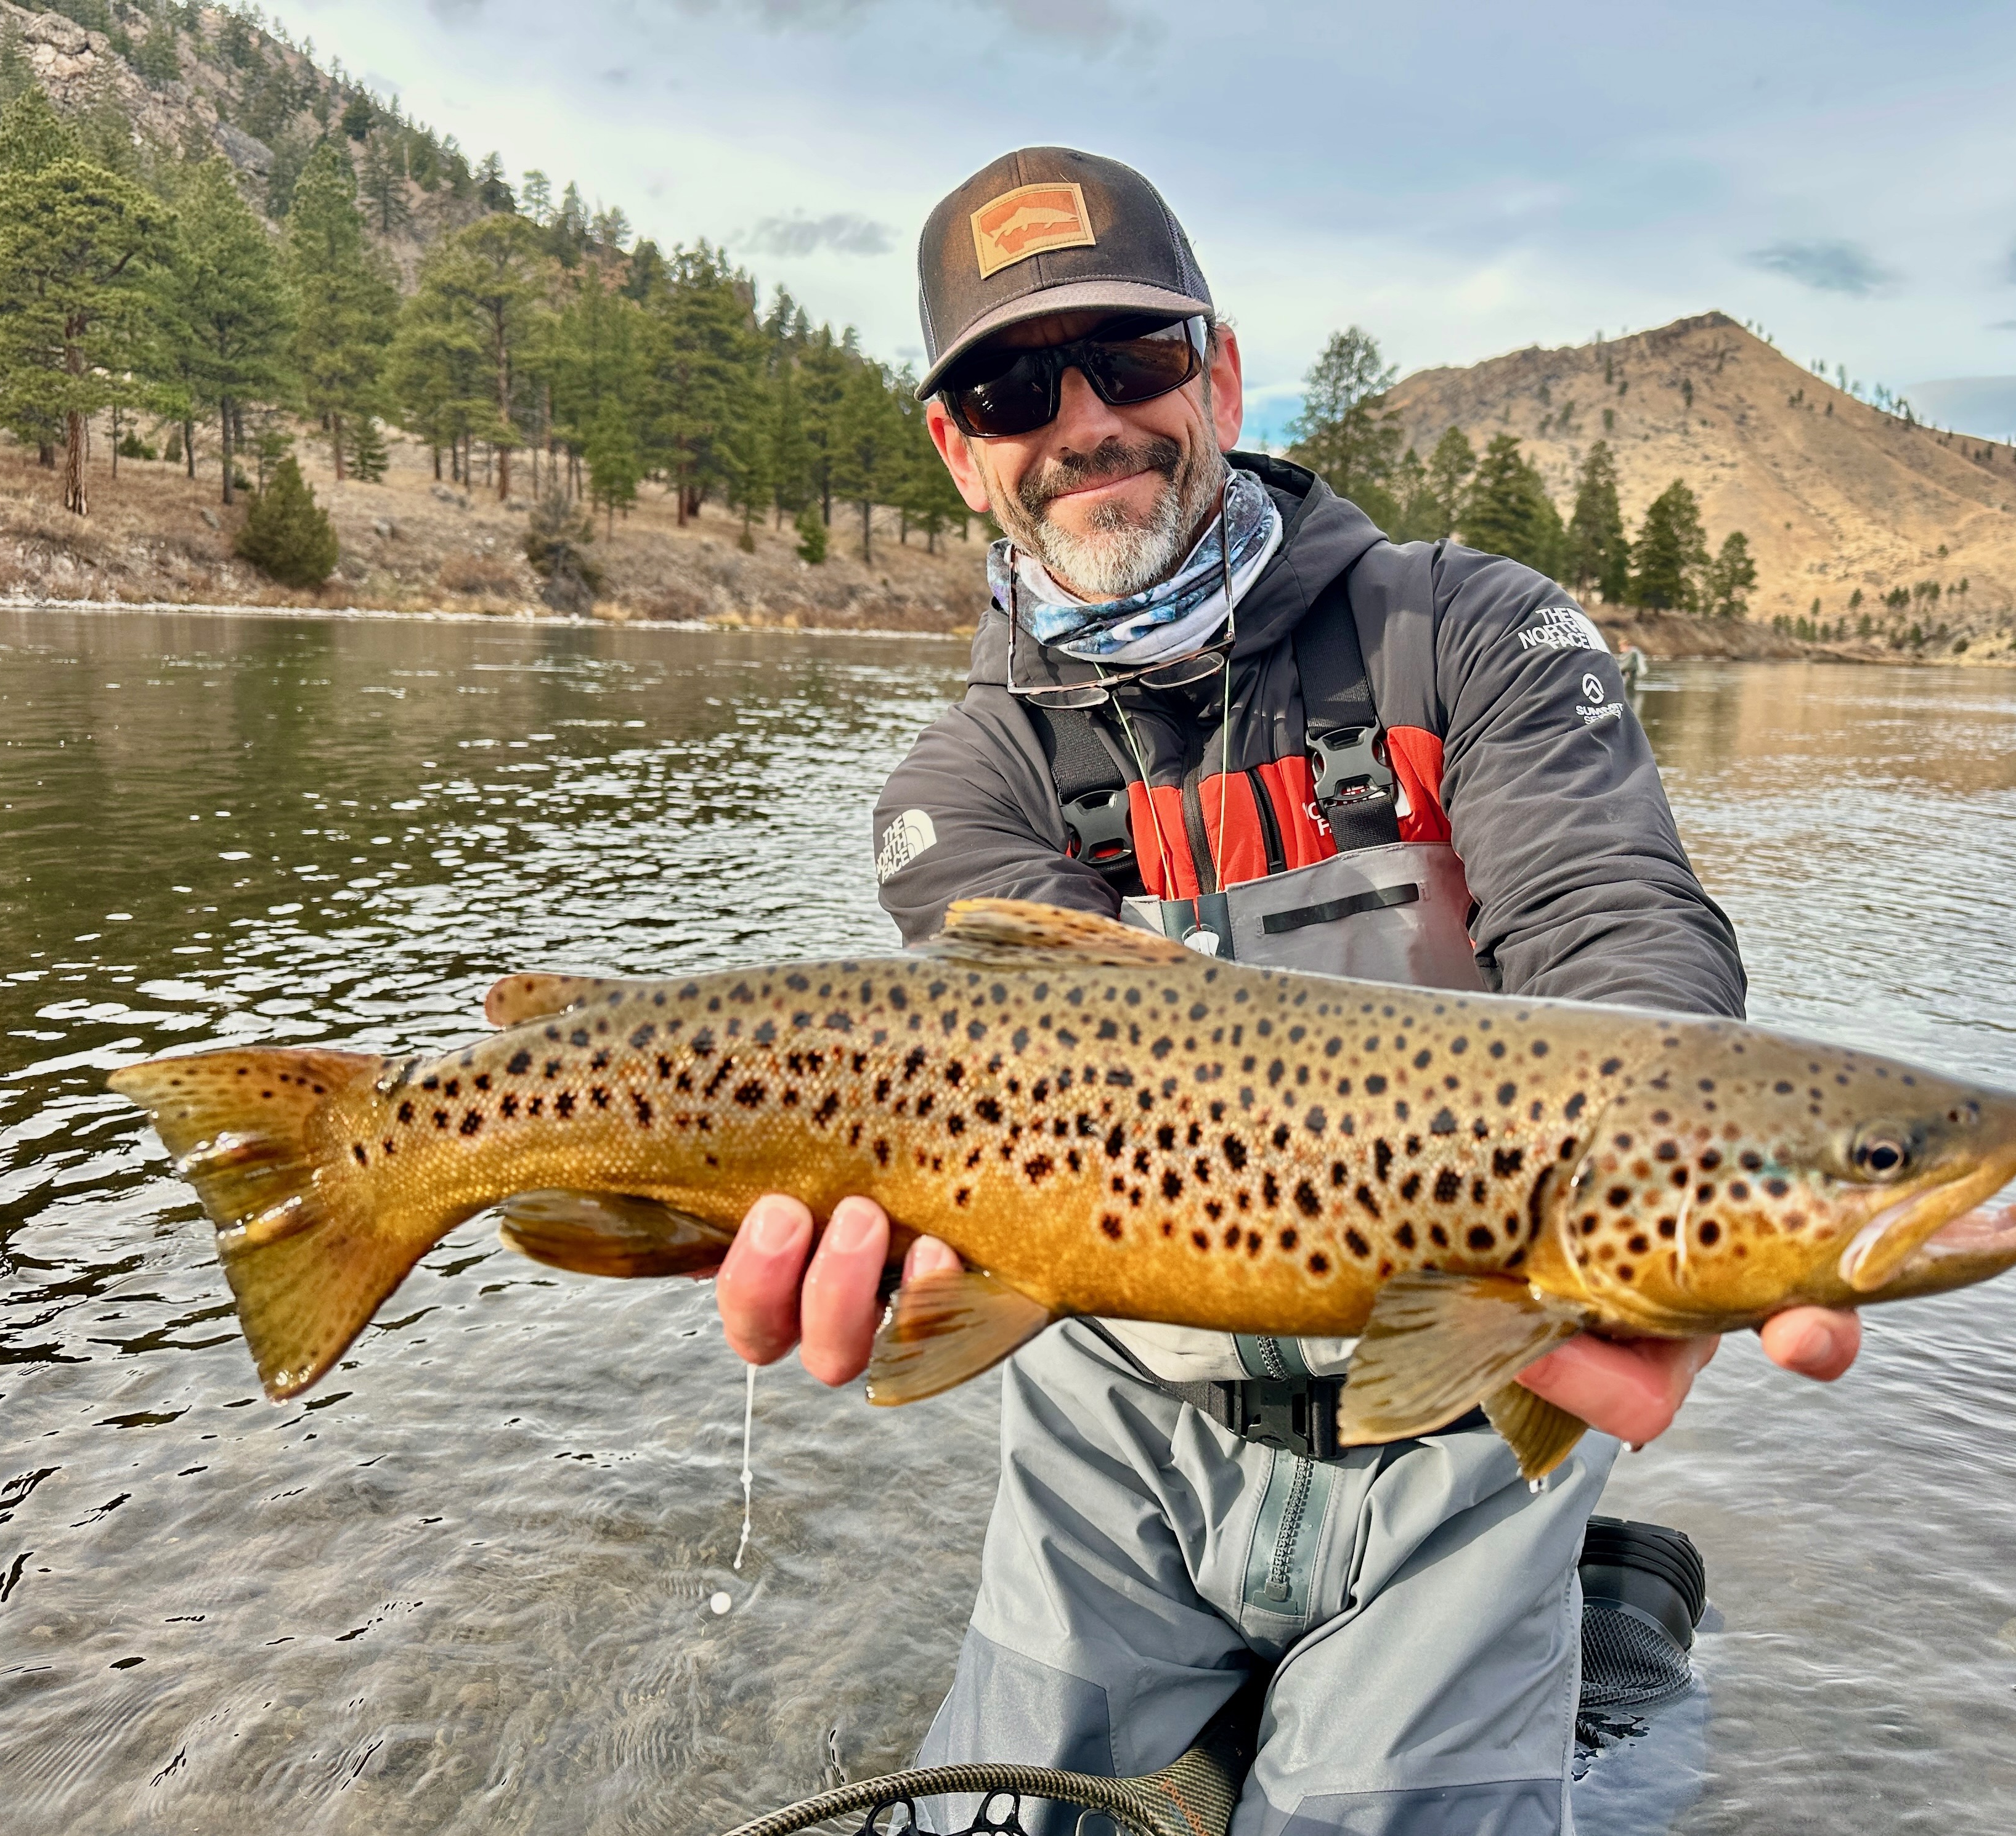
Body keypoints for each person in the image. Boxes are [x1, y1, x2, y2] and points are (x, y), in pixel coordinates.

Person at [713, 147, 1858, 1834]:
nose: (1088, 418)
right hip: (1110, 1436)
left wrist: (1662, 1214)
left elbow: (1616, 921)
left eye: (1136, 359)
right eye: (1017, 384)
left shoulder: (1470, 631)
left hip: (1472, 1429)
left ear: (1222, 376)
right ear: (961, 453)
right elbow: (1033, 1110)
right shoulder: (961, 780)